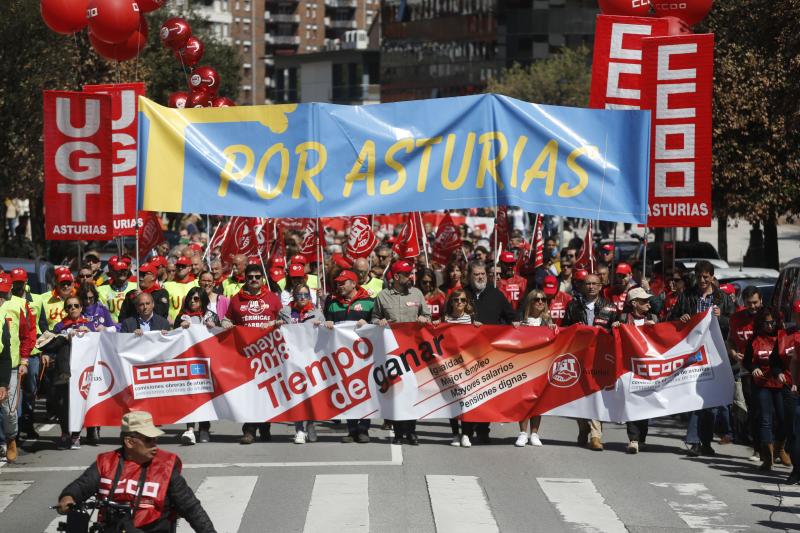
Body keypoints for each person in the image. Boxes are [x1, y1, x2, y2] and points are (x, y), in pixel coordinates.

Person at [56, 411, 216, 533]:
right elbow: (82, 485)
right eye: (148, 439)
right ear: (129, 442)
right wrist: (68, 497)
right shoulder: (106, 462)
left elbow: (191, 507)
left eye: (155, 439)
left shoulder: (166, 466)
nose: (155, 444)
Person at [670, 260, 735, 457]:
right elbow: (672, 319)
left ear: (712, 277)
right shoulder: (687, 296)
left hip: (715, 353)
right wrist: (680, 320)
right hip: (693, 352)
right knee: (695, 398)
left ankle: (706, 441)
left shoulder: (722, 298)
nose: (702, 280)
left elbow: (733, 324)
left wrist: (722, 316)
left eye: (706, 277)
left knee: (711, 401)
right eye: (699, 276)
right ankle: (694, 440)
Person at [222, 264, 283, 444]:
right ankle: (249, 430)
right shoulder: (236, 300)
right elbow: (227, 318)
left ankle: (265, 427)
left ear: (262, 279)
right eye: (250, 277)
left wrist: (274, 323)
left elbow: (284, 320)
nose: (254, 280)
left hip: (268, 352)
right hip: (245, 354)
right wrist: (225, 323)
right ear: (245, 279)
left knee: (266, 392)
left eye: (257, 277)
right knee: (249, 393)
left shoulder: (272, 298)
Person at [373, 260, 431, 445]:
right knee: (397, 392)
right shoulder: (382, 296)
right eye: (406, 274)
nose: (410, 277)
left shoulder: (417, 293)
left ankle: (411, 431)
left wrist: (424, 318)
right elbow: (374, 317)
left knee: (413, 390)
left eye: (410, 274)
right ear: (396, 277)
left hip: (413, 352)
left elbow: (428, 316)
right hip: (392, 353)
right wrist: (378, 322)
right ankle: (398, 432)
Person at [464, 260, 518, 443]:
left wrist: (517, 324)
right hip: (465, 353)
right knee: (467, 392)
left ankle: (483, 429)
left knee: (485, 393)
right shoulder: (461, 294)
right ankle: (466, 429)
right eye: (476, 274)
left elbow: (511, 316)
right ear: (469, 276)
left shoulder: (496, 294)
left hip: (489, 354)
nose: (480, 277)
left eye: (482, 274)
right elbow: (449, 319)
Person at [562, 273, 618, 451]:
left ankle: (596, 436)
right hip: (579, 356)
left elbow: (618, 330)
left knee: (596, 395)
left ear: (601, 286)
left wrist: (614, 328)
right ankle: (583, 427)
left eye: (595, 284)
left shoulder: (610, 307)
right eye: (588, 284)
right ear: (582, 286)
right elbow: (564, 328)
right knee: (578, 396)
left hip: (600, 357)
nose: (591, 287)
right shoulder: (573, 305)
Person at [323, 269, 375, 443]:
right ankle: (351, 429)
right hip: (342, 357)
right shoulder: (332, 303)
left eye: (343, 282)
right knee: (347, 390)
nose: (339, 285)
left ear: (353, 283)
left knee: (365, 390)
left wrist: (368, 323)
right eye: (338, 282)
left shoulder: (369, 302)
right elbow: (324, 324)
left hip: (364, 357)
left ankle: (364, 429)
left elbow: (377, 322)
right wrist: (326, 323)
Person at [744, 307, 794, 471]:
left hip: (781, 383)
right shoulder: (755, 339)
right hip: (762, 383)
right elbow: (747, 361)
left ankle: (780, 449)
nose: (769, 326)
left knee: (783, 419)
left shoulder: (784, 336)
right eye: (766, 323)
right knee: (765, 419)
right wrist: (753, 368)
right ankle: (767, 458)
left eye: (772, 322)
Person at [48, 295, 101, 449]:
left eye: (76, 305)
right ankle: (65, 433)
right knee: (63, 403)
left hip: (84, 371)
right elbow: (50, 345)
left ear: (81, 307)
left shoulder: (89, 324)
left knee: (81, 402)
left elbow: (101, 343)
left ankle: (76, 434)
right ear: (65, 309)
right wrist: (65, 336)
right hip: (64, 371)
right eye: (69, 306)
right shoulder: (59, 326)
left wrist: (90, 332)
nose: (73, 309)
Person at [612, 287, 658, 454]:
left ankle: (642, 438)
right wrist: (615, 328)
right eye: (644, 301)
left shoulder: (653, 318)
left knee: (645, 404)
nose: (649, 305)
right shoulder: (624, 319)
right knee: (631, 403)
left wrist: (656, 328)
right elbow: (615, 342)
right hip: (629, 369)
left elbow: (662, 342)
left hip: (648, 369)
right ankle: (633, 439)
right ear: (634, 303)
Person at [279, 283, 325, 444]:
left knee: (311, 394)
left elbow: (326, 333)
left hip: (312, 358)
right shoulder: (285, 312)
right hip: (292, 359)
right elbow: (279, 329)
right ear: (294, 296)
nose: (303, 298)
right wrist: (277, 324)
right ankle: (299, 429)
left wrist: (325, 325)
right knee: (297, 395)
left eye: (306, 295)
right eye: (300, 295)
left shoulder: (317, 313)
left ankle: (310, 423)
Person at [173, 287, 220, 446]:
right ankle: (190, 429)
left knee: (206, 396)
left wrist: (214, 325)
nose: (193, 302)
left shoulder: (211, 315)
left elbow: (221, 336)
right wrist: (180, 326)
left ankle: (205, 428)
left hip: (207, 362)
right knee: (191, 394)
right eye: (191, 299)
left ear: (203, 301)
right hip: (188, 361)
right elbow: (173, 338)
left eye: (197, 299)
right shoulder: (182, 316)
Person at [515, 289, 557, 448]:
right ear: (530, 302)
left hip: (542, 366)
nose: (540, 302)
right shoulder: (521, 320)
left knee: (538, 401)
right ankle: (522, 433)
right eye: (537, 299)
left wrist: (554, 329)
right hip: (524, 365)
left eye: (544, 300)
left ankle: (534, 433)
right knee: (523, 400)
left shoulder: (548, 322)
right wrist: (515, 327)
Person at [442, 289, 481, 447]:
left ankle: (466, 433)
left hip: (468, 365)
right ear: (451, 302)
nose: (460, 303)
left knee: (467, 400)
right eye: (456, 300)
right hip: (449, 365)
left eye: (463, 300)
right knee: (452, 400)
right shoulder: (445, 318)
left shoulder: (471, 318)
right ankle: (455, 434)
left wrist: (478, 327)